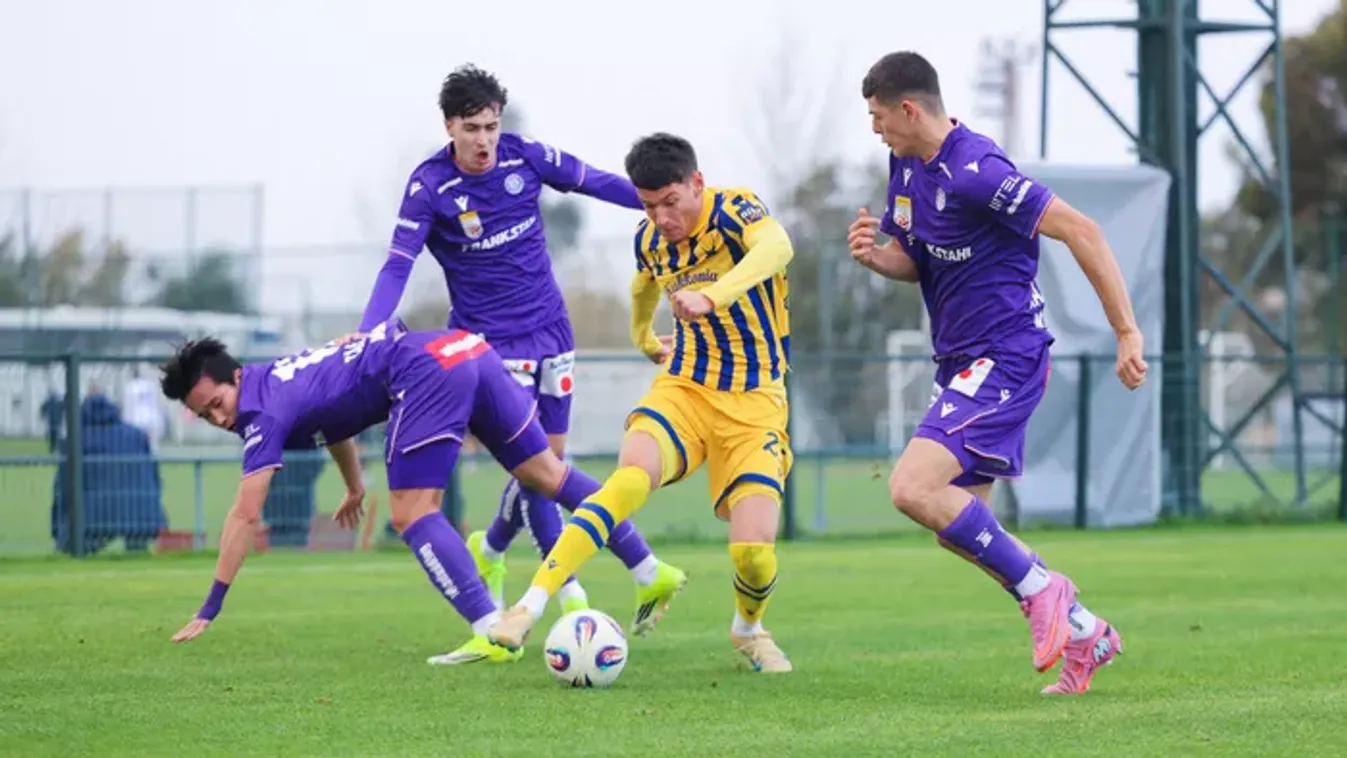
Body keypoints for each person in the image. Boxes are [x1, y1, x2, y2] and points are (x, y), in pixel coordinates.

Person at [847, 51, 1147, 695]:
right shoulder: (906, 166)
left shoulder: (979, 170)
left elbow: (1084, 231)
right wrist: (879, 258)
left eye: (878, 117)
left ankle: (1045, 590)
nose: (874, 130)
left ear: (909, 109)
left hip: (1007, 354)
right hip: (959, 362)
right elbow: (917, 260)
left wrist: (1126, 331)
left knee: (912, 488)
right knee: (957, 528)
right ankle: (1086, 631)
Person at [353, 64, 686, 632]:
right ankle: (575, 597)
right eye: (471, 128)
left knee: (543, 466)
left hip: (552, 332)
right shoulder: (430, 186)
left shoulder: (524, 156)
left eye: (491, 126)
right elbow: (397, 265)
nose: (484, 140)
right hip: (488, 350)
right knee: (543, 473)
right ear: (449, 126)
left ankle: (491, 548)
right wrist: (368, 332)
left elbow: (595, 181)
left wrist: (667, 204)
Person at [157, 319, 645, 664]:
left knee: (412, 513)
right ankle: (648, 569)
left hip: (422, 370)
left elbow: (245, 515)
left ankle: (491, 631)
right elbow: (330, 421)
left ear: (235, 377)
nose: (219, 418)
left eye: (217, 403)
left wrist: (211, 606)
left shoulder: (261, 414)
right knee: (548, 474)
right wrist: (354, 484)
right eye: (204, 416)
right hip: (466, 348)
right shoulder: (276, 375)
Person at [488, 133, 797, 674]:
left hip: (756, 404)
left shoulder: (735, 211)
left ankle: (749, 630)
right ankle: (527, 608)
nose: (662, 218)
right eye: (650, 206)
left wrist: (712, 295)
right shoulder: (651, 239)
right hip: (685, 389)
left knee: (753, 553)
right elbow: (643, 287)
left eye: (670, 202)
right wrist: (643, 338)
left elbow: (778, 248)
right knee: (628, 480)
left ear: (696, 183)